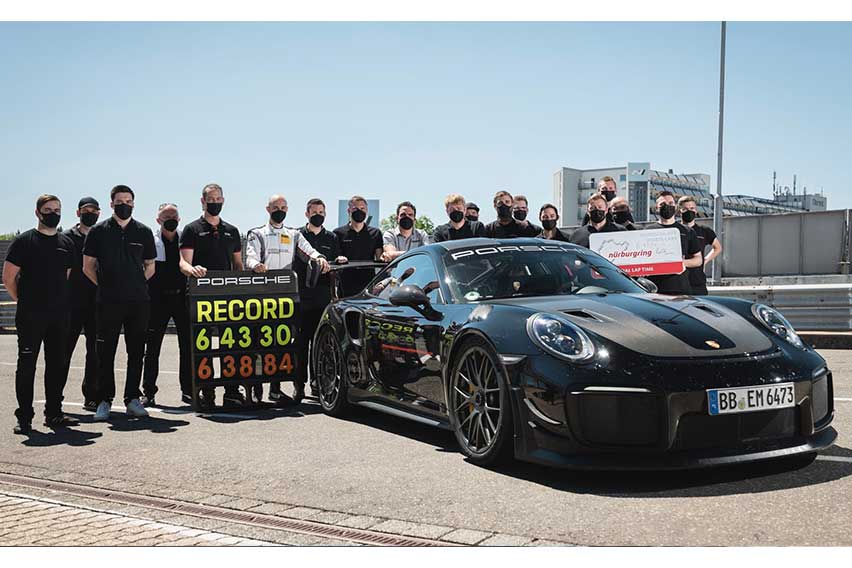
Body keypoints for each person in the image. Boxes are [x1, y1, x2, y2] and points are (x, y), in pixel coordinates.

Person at [245, 194, 330, 403]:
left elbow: (309, 251)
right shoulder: (257, 233)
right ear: (268, 209)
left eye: (283, 207)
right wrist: (256, 265)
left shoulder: (293, 235)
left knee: (280, 345)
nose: (280, 211)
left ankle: (275, 389)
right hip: (261, 298)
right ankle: (256, 390)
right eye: (276, 207)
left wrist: (320, 258)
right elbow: (250, 257)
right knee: (259, 345)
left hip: (285, 299)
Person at [83, 185, 156, 422]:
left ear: (133, 203)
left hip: (138, 302)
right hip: (108, 302)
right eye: (120, 201)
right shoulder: (99, 231)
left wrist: (134, 284)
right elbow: (88, 266)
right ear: (111, 204)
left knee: (136, 351)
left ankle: (132, 399)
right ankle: (104, 400)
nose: (124, 205)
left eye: (128, 201)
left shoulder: (143, 231)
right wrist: (106, 286)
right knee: (105, 352)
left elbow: (150, 266)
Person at [3, 195, 75, 433]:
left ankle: (54, 413)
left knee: (56, 365)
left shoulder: (66, 243)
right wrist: (23, 301)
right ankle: (24, 418)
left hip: (59, 315)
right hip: (31, 315)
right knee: (27, 366)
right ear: (37, 213)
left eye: (57, 209)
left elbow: (65, 276)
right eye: (48, 209)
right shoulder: (24, 241)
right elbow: (9, 277)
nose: (53, 213)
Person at [179, 183, 245, 410]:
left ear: (223, 201)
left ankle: (231, 391)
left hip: (228, 298)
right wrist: (192, 269)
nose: (215, 202)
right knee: (203, 346)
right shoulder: (191, 229)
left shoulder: (232, 231)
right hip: (201, 297)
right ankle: (206, 392)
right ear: (203, 201)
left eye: (218, 199)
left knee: (230, 344)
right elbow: (183, 263)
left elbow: (238, 265)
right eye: (211, 199)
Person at [141, 203, 191, 407]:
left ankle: (188, 390)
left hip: (182, 299)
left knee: (187, 346)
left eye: (174, 217)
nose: (170, 220)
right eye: (166, 217)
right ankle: (149, 392)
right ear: (158, 220)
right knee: (152, 348)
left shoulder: (185, 239)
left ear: (179, 219)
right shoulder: (151, 240)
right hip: (157, 301)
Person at [292, 198, 340, 400]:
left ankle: (317, 383)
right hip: (301, 296)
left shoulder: (332, 237)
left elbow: (337, 264)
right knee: (300, 343)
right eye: (314, 212)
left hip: (323, 297)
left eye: (321, 212)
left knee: (320, 344)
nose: (318, 215)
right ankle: (298, 385)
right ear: (307, 214)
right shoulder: (297, 235)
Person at [63, 196, 100, 411]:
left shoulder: (102, 236)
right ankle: (55, 396)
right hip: (71, 303)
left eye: (94, 211)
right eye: (86, 210)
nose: (90, 214)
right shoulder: (66, 238)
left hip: (96, 302)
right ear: (78, 213)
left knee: (94, 353)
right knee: (63, 351)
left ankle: (91, 395)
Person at [644, 191, 703, 296]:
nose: (667, 206)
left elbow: (698, 260)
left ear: (675, 207)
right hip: (654, 288)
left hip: (680, 288)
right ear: (656, 208)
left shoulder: (687, 231)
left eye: (670, 203)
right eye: (662, 204)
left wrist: (681, 263)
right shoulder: (647, 231)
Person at [333, 195, 384, 297]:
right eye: (355, 208)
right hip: (345, 285)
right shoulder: (338, 233)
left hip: (368, 285)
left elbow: (380, 258)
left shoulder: (376, 233)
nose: (359, 211)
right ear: (349, 211)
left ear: (367, 211)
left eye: (362, 208)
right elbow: (335, 256)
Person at [677, 196, 723, 296]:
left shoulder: (704, 230)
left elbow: (717, 247)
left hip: (697, 281)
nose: (689, 211)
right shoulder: (675, 230)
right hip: (678, 281)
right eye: (685, 209)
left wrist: (705, 260)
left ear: (696, 210)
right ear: (679, 211)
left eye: (692, 208)